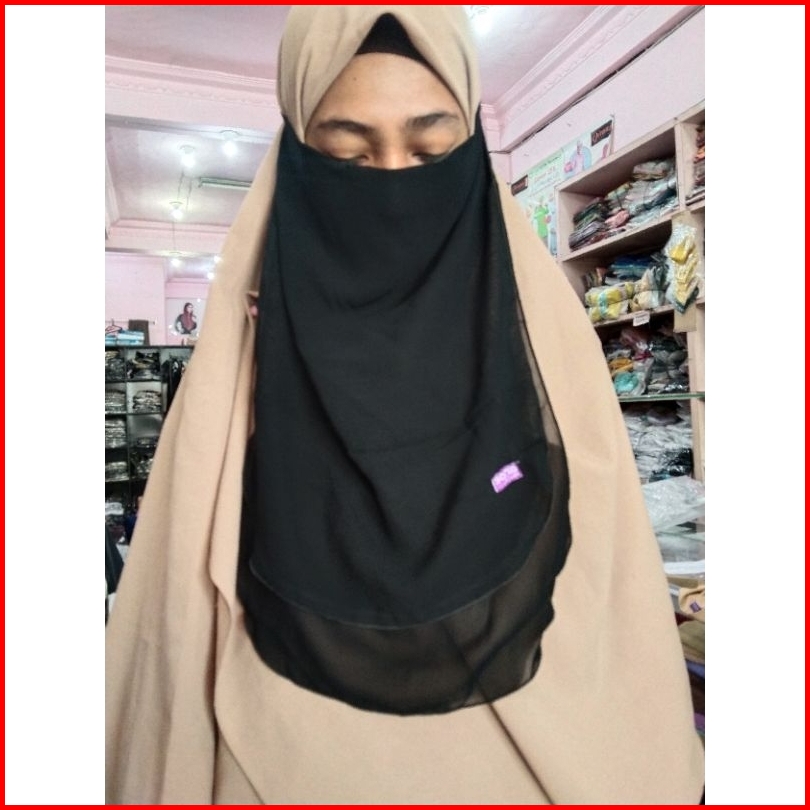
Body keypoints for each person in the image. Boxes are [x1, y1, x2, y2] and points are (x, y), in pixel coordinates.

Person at [106, 7, 704, 804]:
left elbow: (606, 588)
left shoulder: (544, 336)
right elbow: (177, 634)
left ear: (472, 152)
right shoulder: (244, 362)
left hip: (550, 743)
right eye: (347, 155)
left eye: (431, 153)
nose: (393, 186)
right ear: (299, 161)